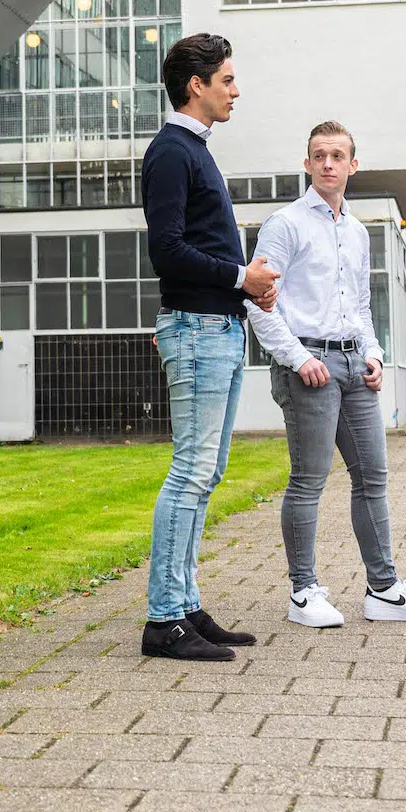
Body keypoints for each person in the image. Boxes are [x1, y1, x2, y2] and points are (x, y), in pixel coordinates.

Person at [245, 122, 406, 629]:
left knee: (373, 478)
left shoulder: (357, 232)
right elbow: (258, 302)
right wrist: (297, 359)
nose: (329, 163)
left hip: (355, 365)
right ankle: (303, 593)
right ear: (308, 164)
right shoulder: (284, 224)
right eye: (320, 155)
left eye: (338, 155)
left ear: (353, 165)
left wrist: (374, 354)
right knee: (309, 480)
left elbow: (360, 305)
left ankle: (383, 590)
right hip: (308, 367)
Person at [139, 32, 281, 662]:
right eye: (227, 79)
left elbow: (200, 245)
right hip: (197, 329)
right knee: (190, 473)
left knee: (209, 472)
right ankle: (162, 620)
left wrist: (248, 288)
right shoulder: (171, 152)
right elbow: (165, 252)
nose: (235, 90)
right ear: (195, 85)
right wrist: (237, 277)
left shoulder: (193, 151)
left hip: (217, 325)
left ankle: (185, 605)